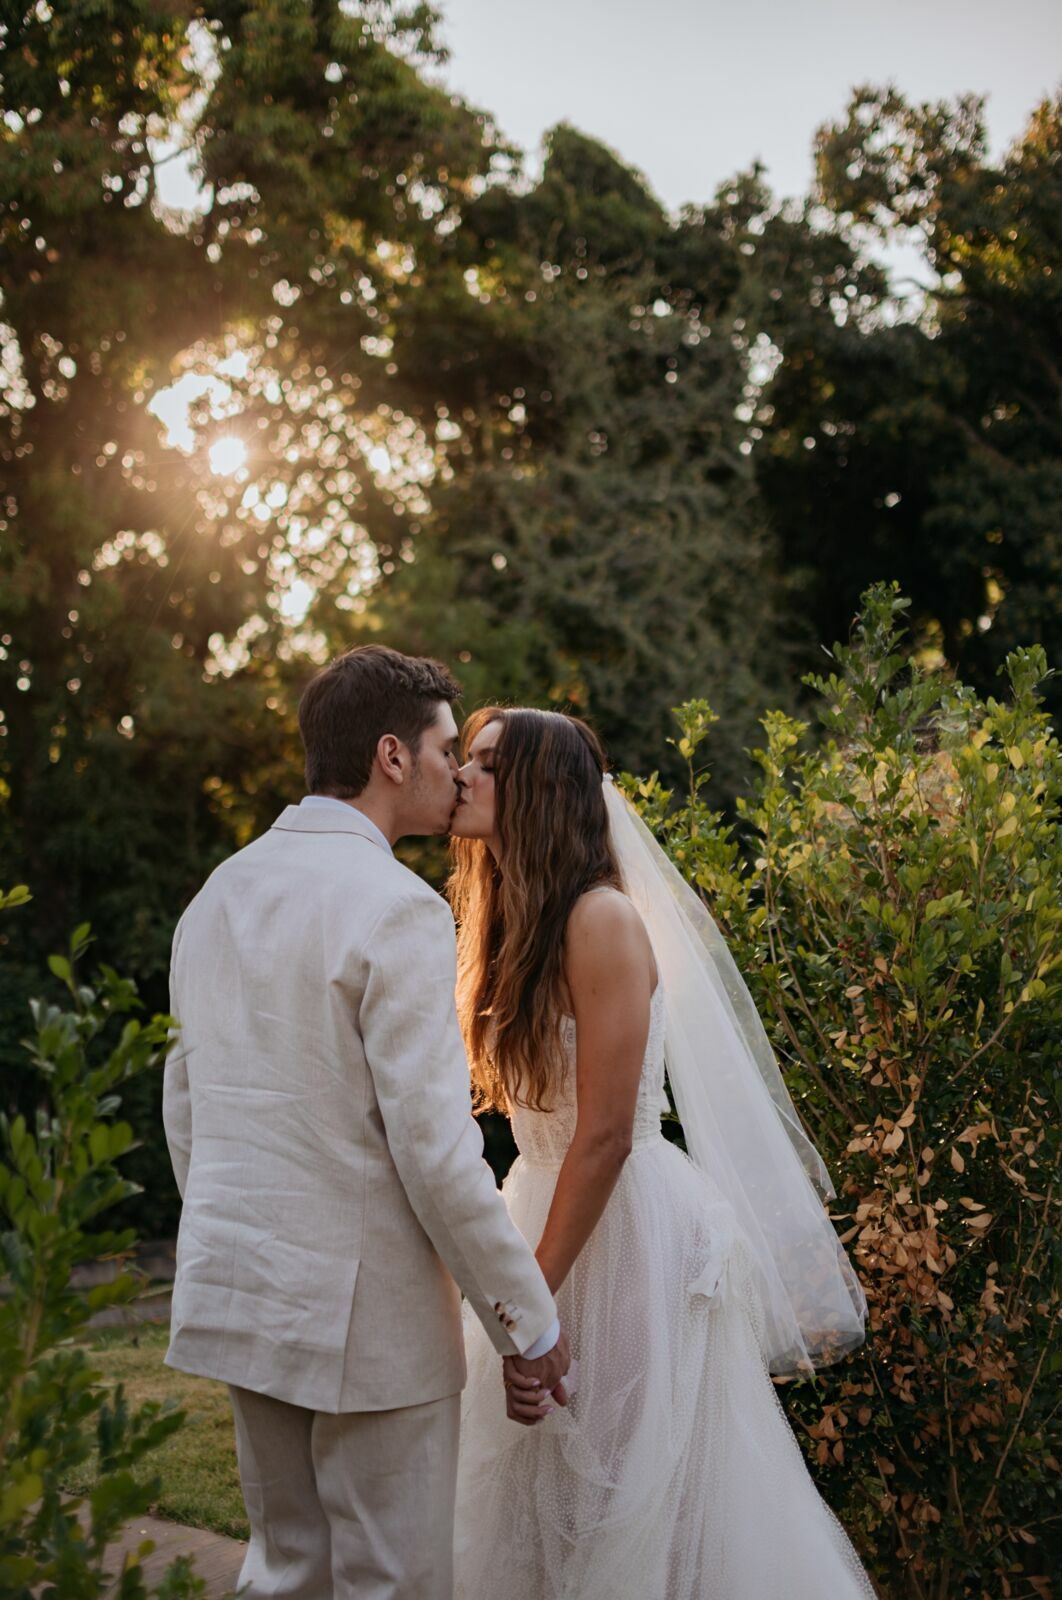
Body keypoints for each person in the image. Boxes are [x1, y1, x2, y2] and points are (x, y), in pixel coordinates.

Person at [162, 647, 569, 1600]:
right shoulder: (397, 909)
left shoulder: (215, 896)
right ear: (392, 756)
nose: (457, 772)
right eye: (442, 748)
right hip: (371, 1324)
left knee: (285, 1573)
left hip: (244, 1292)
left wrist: (244, 1241)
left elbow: (188, 1109)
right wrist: (528, 1321)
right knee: (394, 1582)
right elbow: (435, 1154)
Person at [448, 706, 877, 1599]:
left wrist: (533, 1305)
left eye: (486, 764)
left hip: (625, 1230)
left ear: (537, 790)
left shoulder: (600, 919)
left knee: (627, 1496)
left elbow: (603, 1136)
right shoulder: (509, 923)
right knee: (537, 1496)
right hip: (545, 1199)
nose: (461, 776)